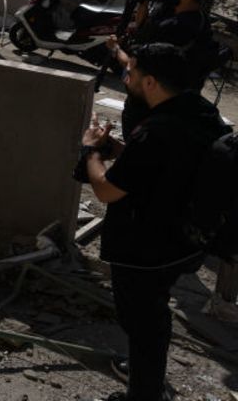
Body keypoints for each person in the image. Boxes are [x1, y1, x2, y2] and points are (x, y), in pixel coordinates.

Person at [78, 43, 230, 401]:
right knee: (154, 320)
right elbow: (167, 163)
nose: (126, 77)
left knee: (143, 324)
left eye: (131, 71)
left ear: (150, 82)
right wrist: (117, 150)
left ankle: (144, 394)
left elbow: (106, 190)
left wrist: (90, 152)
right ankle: (146, 384)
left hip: (146, 250)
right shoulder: (200, 111)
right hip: (185, 240)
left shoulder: (155, 132)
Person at [109, 0, 216, 131]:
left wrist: (115, 49)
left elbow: (134, 66)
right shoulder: (201, 21)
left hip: (148, 111)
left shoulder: (174, 27)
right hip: (175, 108)